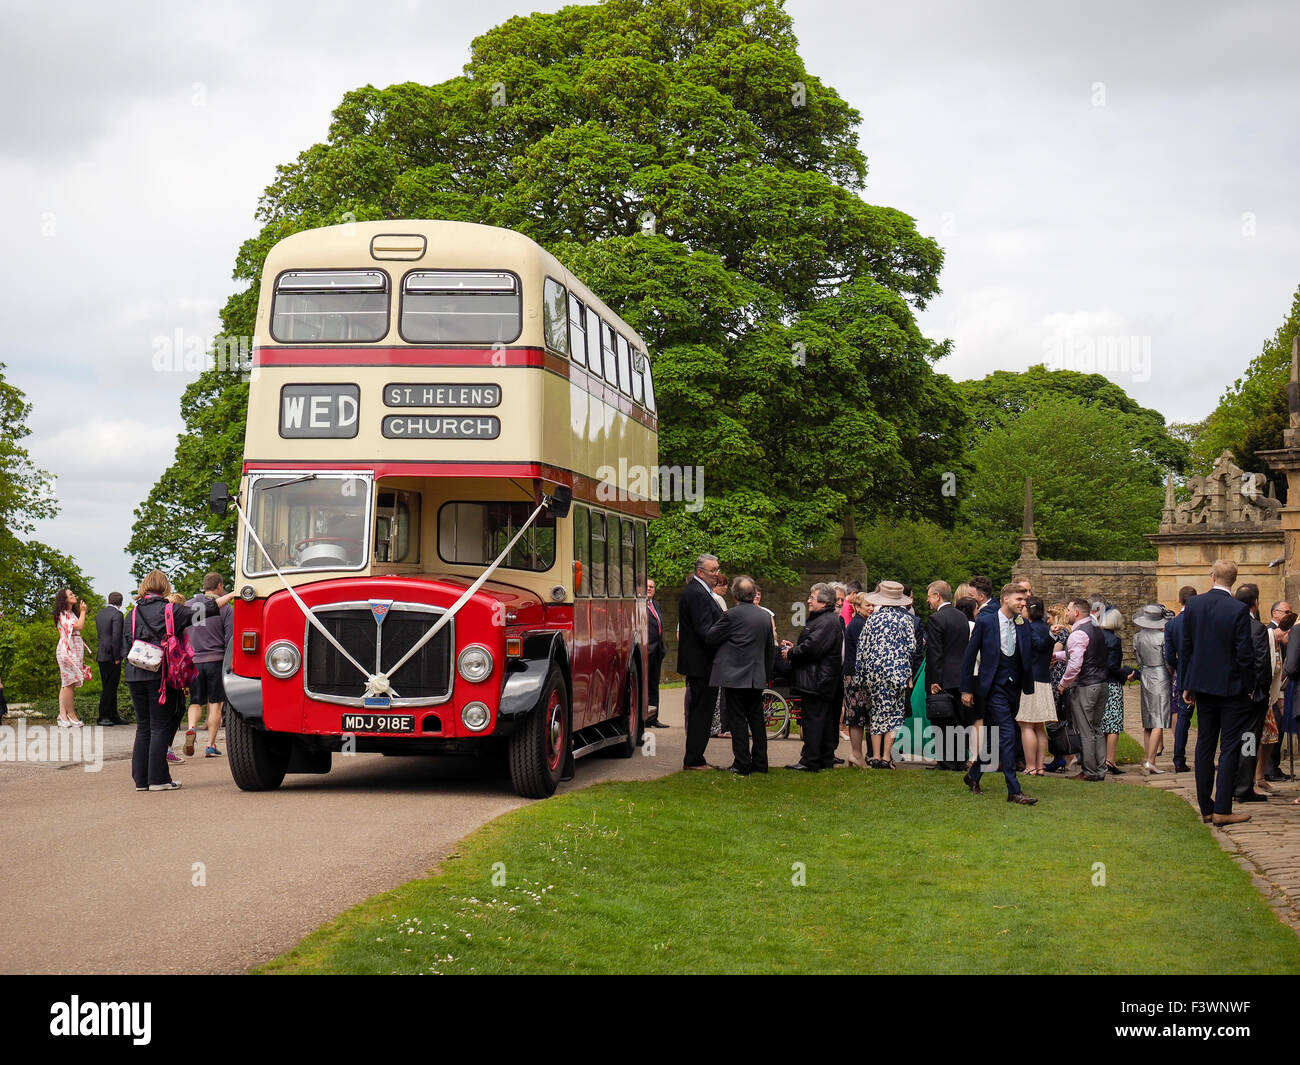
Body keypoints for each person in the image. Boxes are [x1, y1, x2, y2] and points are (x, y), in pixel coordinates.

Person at [1179, 559, 1256, 827]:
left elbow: (1186, 648)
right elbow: (1244, 654)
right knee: (1230, 746)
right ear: (1233, 581)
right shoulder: (1238, 609)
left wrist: (1186, 684)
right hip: (1231, 687)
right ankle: (1222, 808)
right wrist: (1250, 687)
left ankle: (1206, 807)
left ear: (1212, 577)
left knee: (1204, 744)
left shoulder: (1194, 604)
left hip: (1202, 685)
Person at [959, 583, 1037, 804]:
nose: (1023, 603)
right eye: (1019, 600)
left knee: (995, 740)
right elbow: (969, 656)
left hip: (1014, 687)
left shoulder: (1021, 624)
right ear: (1005, 599)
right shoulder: (986, 622)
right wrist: (966, 689)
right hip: (993, 688)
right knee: (1008, 735)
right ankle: (1014, 790)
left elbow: (1031, 648)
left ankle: (973, 776)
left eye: (1024, 600)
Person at [123, 571, 196, 791]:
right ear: (165, 587)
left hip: (134, 673)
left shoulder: (132, 614)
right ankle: (159, 779)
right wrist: (230, 595)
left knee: (143, 727)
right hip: (160, 674)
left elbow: (127, 641)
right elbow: (204, 611)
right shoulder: (171, 610)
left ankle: (141, 781)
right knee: (159, 726)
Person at [705, 576, 776, 775]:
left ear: (735, 595)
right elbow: (769, 648)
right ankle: (761, 762)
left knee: (737, 720)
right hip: (756, 675)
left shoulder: (731, 616)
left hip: (734, 675)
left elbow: (711, 637)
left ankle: (742, 762)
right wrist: (767, 673)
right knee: (756, 719)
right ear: (753, 595)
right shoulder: (764, 616)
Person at [780, 582, 843, 772]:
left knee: (813, 720)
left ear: (823, 603)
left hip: (817, 680)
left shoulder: (826, 622)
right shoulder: (825, 620)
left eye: (812, 598)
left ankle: (810, 760)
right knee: (821, 720)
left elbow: (812, 648)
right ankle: (823, 757)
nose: (808, 601)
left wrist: (791, 653)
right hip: (820, 678)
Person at [858, 581, 917, 768]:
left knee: (876, 712)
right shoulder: (906, 619)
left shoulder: (872, 618)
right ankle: (885, 756)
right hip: (897, 673)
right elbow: (911, 647)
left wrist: (861, 675)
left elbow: (862, 647)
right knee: (894, 714)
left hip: (874, 672)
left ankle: (875, 756)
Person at [677, 553, 724, 770]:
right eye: (713, 571)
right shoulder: (696, 593)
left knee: (702, 710)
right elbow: (705, 630)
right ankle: (694, 758)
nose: (717, 574)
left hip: (701, 662)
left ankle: (697, 757)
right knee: (701, 711)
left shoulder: (701, 592)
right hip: (700, 663)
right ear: (700, 572)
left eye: (717, 570)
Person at [1057, 598, 1108, 782]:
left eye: (1069, 610)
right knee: (1097, 728)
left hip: (1086, 685)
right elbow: (1082, 654)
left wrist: (1063, 684)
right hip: (1102, 684)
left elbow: (1075, 664)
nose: (1067, 613)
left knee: (1086, 729)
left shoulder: (1077, 634)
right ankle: (1101, 769)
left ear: (1077, 612)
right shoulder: (1096, 630)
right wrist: (1057, 656)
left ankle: (1089, 771)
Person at [184, 574, 234, 758]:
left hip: (194, 661)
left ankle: (191, 728)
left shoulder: (188, 605)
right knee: (215, 704)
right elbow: (230, 638)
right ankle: (210, 745)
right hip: (215, 660)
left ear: (204, 586)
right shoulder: (226, 608)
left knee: (195, 701)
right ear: (219, 586)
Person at [1232, 584, 1271, 804]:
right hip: (1251, 696)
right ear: (1255, 603)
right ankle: (1244, 786)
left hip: (1228, 693)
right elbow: (1261, 665)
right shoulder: (1256, 628)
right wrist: (1259, 690)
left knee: (1230, 741)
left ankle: (1230, 784)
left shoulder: (1227, 625)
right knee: (1248, 739)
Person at [925, 580, 970, 771]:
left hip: (943, 677)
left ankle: (945, 761)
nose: (928, 601)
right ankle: (959, 760)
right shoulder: (962, 617)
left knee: (941, 720)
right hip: (961, 676)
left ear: (937, 596)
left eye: (929, 597)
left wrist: (935, 680)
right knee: (959, 721)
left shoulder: (936, 619)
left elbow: (935, 652)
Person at [1017, 596, 1057, 776]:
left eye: (1024, 608)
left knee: (1026, 725)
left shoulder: (1029, 628)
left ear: (1030, 610)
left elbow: (1039, 646)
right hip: (1044, 679)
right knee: (1039, 726)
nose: (1021, 610)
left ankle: (1031, 766)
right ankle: (1040, 766)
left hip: (1030, 681)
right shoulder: (1045, 627)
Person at [1132, 604, 1173, 775]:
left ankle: (1148, 759)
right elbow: (1167, 660)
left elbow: (1139, 660)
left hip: (1146, 673)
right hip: (1160, 674)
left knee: (1148, 719)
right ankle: (1151, 760)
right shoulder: (1162, 638)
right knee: (1159, 721)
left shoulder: (1137, 637)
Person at [1164, 585, 1197, 772]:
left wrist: (1180, 666)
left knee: (1183, 718)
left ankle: (1179, 759)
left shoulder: (1172, 624)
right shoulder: (1202, 621)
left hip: (1184, 673)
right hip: (1206, 673)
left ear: (1179, 600)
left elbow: (1169, 656)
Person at [842, 592, 874, 768]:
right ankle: (856, 754)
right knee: (856, 716)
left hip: (855, 674)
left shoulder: (861, 623)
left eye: (872, 605)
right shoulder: (859, 625)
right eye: (866, 605)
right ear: (857, 607)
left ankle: (858, 754)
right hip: (855, 675)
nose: (870, 608)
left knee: (860, 715)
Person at [1097, 607, 1129, 775]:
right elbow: (1113, 666)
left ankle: (1101, 759)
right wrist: (1125, 676)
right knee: (1114, 724)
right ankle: (1110, 759)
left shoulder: (1098, 636)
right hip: (1112, 683)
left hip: (1098, 682)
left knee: (1102, 722)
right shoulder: (1114, 640)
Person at [54, 589, 90, 727]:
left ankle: (62, 716)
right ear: (64, 599)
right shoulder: (63, 615)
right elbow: (79, 626)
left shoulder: (70, 614)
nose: (74, 595)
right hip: (67, 650)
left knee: (67, 683)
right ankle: (71, 714)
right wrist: (83, 611)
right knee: (69, 683)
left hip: (74, 649)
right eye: (70, 594)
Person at [94, 592, 126, 725]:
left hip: (101, 653)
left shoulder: (100, 614)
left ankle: (113, 715)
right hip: (112, 655)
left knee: (108, 685)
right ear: (121, 603)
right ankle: (104, 716)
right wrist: (117, 656)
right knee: (110, 687)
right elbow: (116, 637)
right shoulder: (118, 615)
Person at [645, 578, 668, 728]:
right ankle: (645, 719)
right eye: (647, 586)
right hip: (646, 651)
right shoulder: (639, 606)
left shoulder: (656, 605)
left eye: (652, 587)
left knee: (654, 684)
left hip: (657, 651)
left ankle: (654, 718)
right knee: (645, 685)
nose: (649, 589)